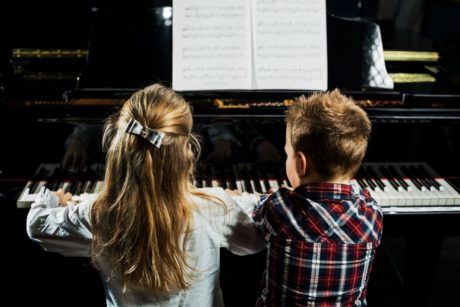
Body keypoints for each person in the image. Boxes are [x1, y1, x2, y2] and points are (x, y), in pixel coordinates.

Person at [26, 83, 265, 306]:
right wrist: (238, 200)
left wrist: (54, 199)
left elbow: (36, 225)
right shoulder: (214, 207)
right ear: (185, 152)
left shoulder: (97, 212)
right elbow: (255, 241)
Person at [252, 89, 383, 306]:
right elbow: (359, 195)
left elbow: (256, 210)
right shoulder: (372, 213)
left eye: (287, 154)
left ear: (301, 164)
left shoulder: (277, 207)